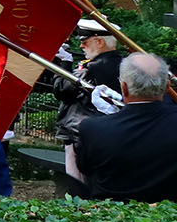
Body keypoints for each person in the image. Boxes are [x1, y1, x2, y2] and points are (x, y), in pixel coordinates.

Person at [68, 53, 177, 201]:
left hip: (113, 216)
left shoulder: (92, 128)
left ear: (124, 87)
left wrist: (110, 116)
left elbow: (85, 168)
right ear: (167, 86)